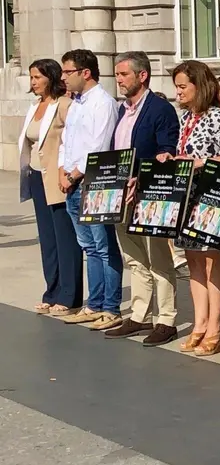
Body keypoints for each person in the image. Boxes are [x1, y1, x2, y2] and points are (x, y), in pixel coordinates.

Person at [103, 51, 181, 346]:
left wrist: (143, 177)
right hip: (120, 195)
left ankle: (166, 320)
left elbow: (166, 152)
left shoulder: (160, 109)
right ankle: (139, 314)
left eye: (123, 74)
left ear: (142, 75)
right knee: (134, 258)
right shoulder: (122, 110)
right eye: (118, 74)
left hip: (148, 195)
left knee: (159, 258)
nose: (119, 79)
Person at [161, 60, 220, 356]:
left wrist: (203, 162)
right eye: (176, 86)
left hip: (209, 197)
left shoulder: (217, 117)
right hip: (187, 196)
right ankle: (199, 322)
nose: (177, 92)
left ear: (198, 86)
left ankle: (215, 326)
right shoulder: (186, 118)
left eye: (182, 86)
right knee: (191, 260)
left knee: (209, 262)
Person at [58, 49, 125, 328]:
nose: (63, 78)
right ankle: (94, 303)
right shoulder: (75, 104)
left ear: (85, 72)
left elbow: (98, 146)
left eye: (68, 72)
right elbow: (67, 141)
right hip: (72, 183)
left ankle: (111, 306)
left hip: (94, 183)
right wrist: (63, 170)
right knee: (88, 247)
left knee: (104, 246)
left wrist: (74, 174)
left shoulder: (103, 103)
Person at [18, 59, 83, 316]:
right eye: (31, 77)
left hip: (58, 178)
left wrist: (70, 172)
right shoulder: (34, 106)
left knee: (65, 238)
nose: (33, 82)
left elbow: (75, 141)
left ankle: (70, 296)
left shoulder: (64, 105)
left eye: (37, 77)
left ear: (51, 77)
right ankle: (52, 290)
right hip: (36, 177)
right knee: (47, 240)